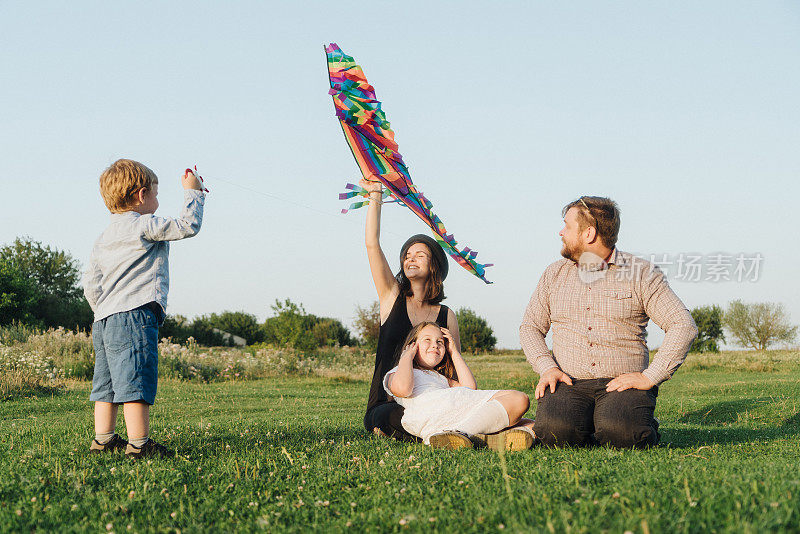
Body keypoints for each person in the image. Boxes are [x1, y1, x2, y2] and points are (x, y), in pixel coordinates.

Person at [520, 196, 697, 448]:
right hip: (569, 383)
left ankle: (637, 421)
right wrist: (547, 368)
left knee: (626, 435)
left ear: (589, 233)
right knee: (554, 434)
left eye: (567, 226)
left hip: (622, 384)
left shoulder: (642, 273)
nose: (561, 232)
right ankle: (591, 424)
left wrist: (650, 377)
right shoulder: (553, 274)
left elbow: (683, 324)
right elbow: (530, 327)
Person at [83, 159, 204, 459]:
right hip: (134, 314)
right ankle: (138, 444)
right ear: (141, 195)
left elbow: (90, 284)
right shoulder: (145, 224)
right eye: (156, 194)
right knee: (136, 378)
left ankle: (103, 439)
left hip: (104, 320)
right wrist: (194, 193)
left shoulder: (102, 238)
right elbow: (187, 226)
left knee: (106, 383)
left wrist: (102, 310)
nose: (157, 201)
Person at [359, 177, 464, 443]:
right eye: (407, 255)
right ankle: (447, 432)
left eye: (419, 255)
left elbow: (454, 369)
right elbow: (372, 244)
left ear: (435, 266)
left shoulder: (446, 315)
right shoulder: (391, 297)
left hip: (433, 401)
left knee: (459, 407)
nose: (410, 258)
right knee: (393, 416)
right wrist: (375, 196)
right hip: (389, 402)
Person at [385, 322, 534, 450]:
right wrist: (406, 357)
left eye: (440, 342)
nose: (434, 345)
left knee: (531, 424)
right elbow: (403, 388)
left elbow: (469, 387)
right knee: (519, 399)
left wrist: (453, 351)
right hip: (434, 412)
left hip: (450, 414)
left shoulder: (441, 378)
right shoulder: (400, 371)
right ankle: (459, 433)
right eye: (427, 340)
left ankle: (473, 438)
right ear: (412, 345)